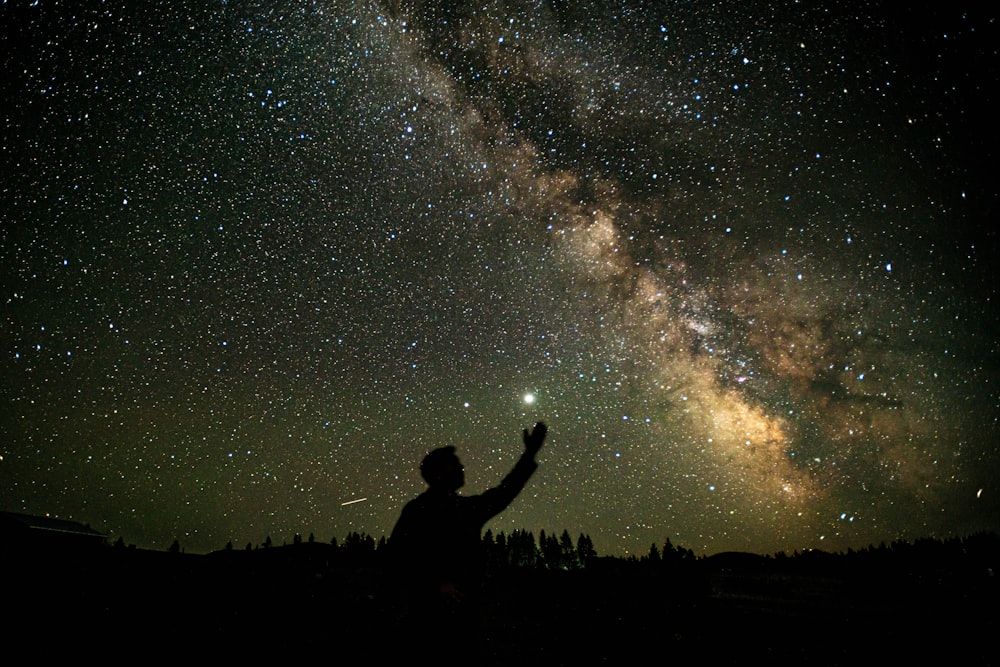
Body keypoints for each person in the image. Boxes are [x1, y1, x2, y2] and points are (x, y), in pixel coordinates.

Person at [387, 422, 547, 656]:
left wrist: (529, 454)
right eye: (455, 465)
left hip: (464, 616)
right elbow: (397, 557)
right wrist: (434, 586)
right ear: (440, 474)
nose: (462, 468)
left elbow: (504, 492)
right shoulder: (418, 510)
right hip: (428, 618)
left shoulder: (465, 508)